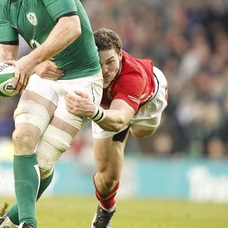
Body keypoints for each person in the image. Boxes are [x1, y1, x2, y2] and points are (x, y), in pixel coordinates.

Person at [0, 0, 103, 228]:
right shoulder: (2, 3)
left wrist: (30, 61)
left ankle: (9, 222)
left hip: (82, 79)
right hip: (45, 78)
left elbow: (71, 27)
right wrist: (2, 74)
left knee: (44, 163)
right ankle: (28, 224)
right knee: (22, 137)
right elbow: (7, 54)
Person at [65, 28, 168, 228]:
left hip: (147, 103)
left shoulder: (133, 77)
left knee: (141, 132)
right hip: (108, 109)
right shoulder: (82, 68)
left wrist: (94, 112)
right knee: (107, 178)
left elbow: (120, 118)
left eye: (110, 61)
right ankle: (106, 211)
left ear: (120, 55)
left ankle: (123, 130)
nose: (104, 70)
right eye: (99, 62)